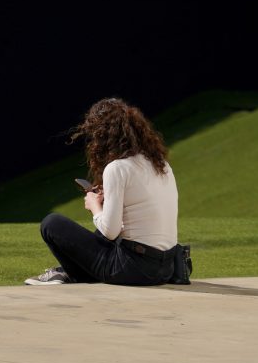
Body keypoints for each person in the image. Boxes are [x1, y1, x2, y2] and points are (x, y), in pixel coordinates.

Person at [25, 97, 180, 286]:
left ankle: (73, 274)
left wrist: (95, 206)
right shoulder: (161, 164)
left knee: (51, 223)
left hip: (134, 270)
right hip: (167, 268)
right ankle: (69, 273)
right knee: (101, 232)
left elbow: (110, 232)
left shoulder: (117, 168)